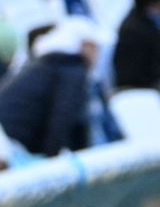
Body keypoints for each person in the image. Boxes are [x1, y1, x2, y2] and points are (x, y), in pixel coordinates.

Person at [0, 19, 103, 156]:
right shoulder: (72, 70)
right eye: (95, 47)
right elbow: (62, 117)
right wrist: (52, 159)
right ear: (84, 46)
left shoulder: (49, 63)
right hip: (12, 144)